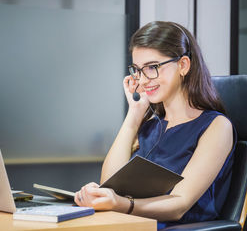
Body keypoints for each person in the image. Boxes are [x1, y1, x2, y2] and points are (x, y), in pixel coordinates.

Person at [74, 21, 236, 228]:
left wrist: (119, 203)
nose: (142, 80)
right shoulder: (151, 125)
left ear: (183, 65)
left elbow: (179, 204)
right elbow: (110, 182)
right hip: (131, 224)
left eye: (152, 67)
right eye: (137, 70)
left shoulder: (217, 126)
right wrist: (134, 115)